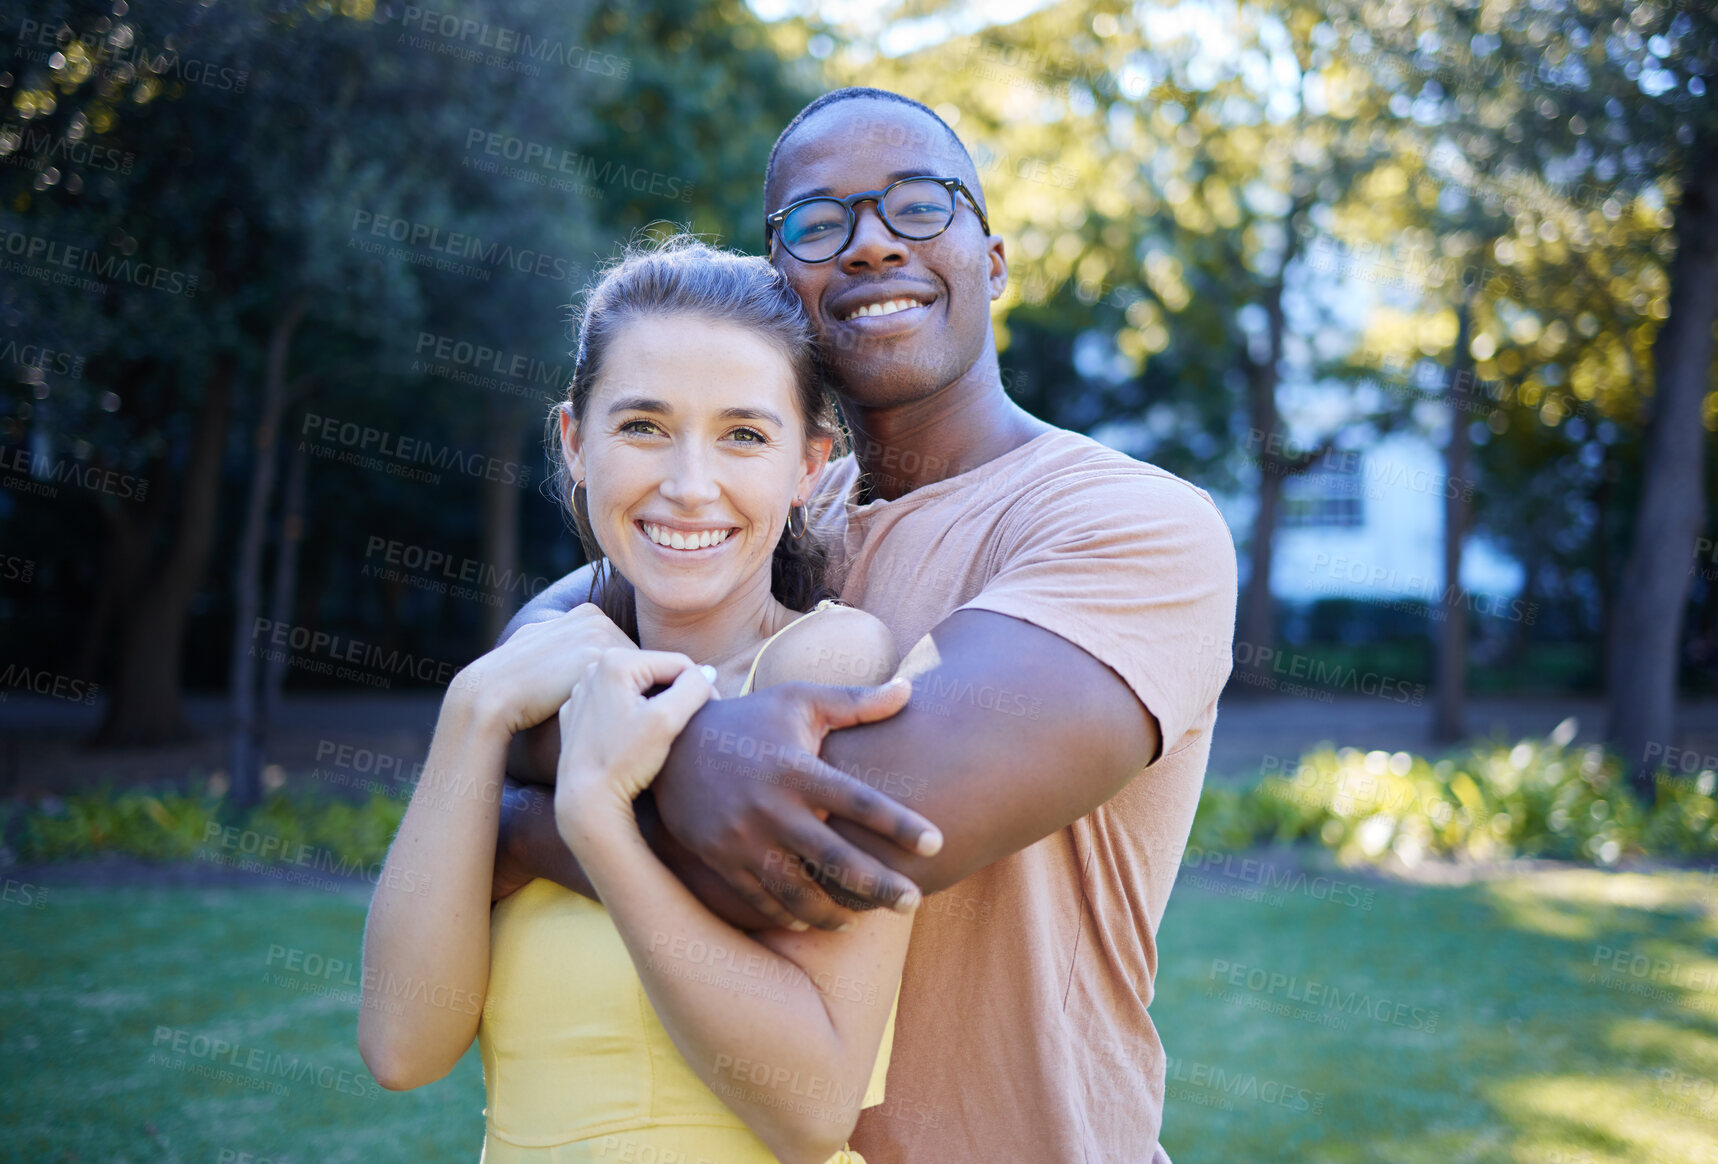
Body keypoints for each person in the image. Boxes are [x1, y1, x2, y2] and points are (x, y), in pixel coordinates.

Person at [496, 88, 1239, 1163]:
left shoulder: (1123, 523)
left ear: (991, 258)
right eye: (817, 223)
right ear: (782, 289)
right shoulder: (762, 508)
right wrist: (648, 754)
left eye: (917, 207)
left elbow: (843, 850)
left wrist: (528, 819)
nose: (872, 244)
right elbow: (522, 660)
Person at [358, 236, 939, 1164]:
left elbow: (813, 1104)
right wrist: (471, 714)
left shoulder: (821, 662)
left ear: (808, 468)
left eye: (744, 434)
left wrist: (596, 821)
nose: (689, 485)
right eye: (643, 426)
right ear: (574, 442)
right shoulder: (527, 683)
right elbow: (401, 1046)